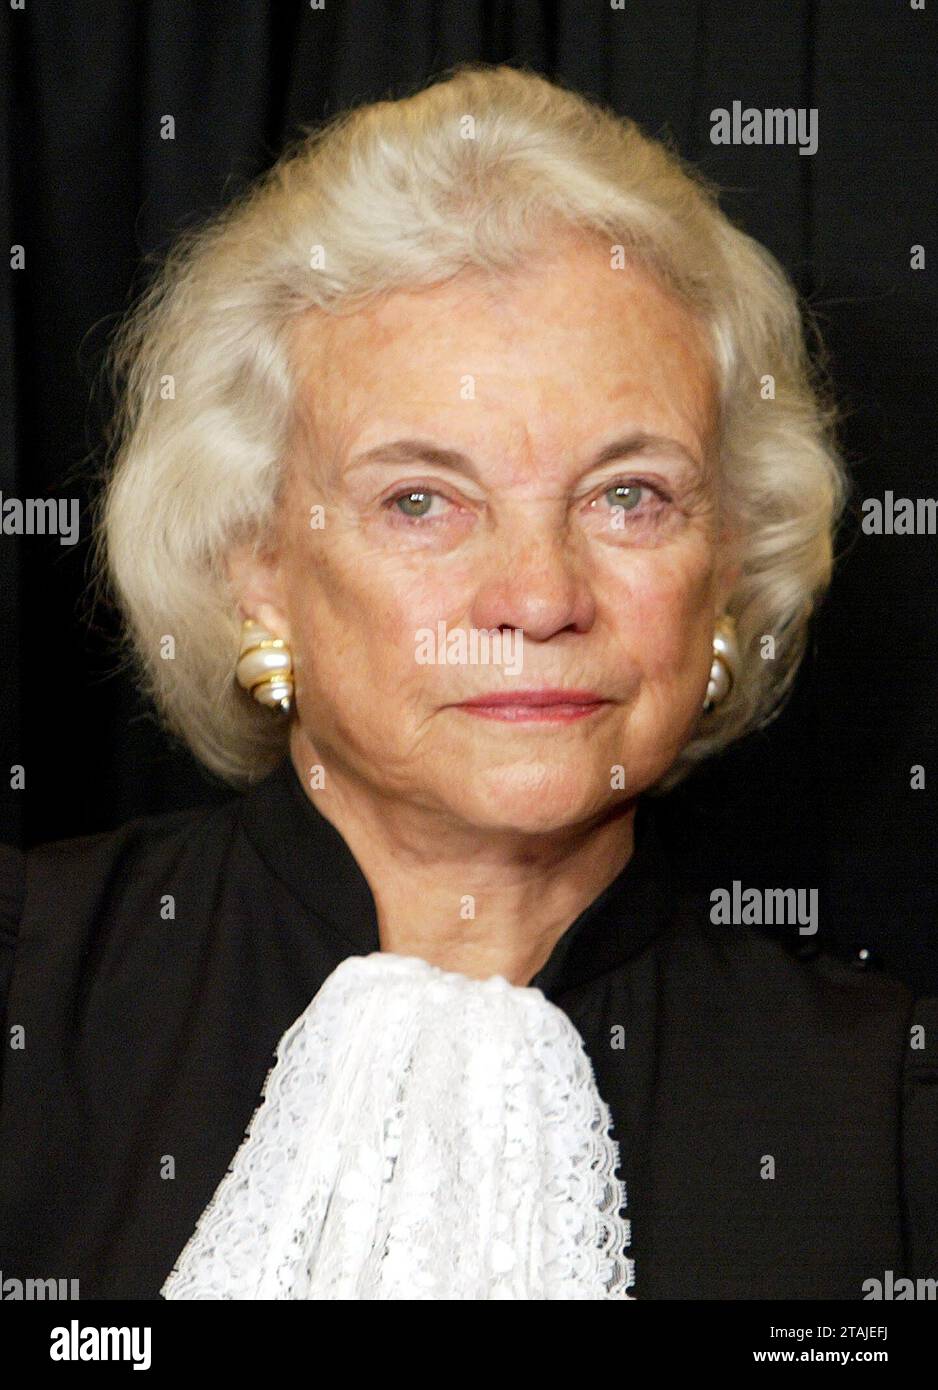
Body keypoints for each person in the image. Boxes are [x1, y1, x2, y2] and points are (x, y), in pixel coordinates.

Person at [0, 63, 935, 1301]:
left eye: (628, 496)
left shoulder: (886, 1122)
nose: (539, 597)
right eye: (422, 500)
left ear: (728, 566)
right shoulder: (27, 987)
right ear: (257, 567)